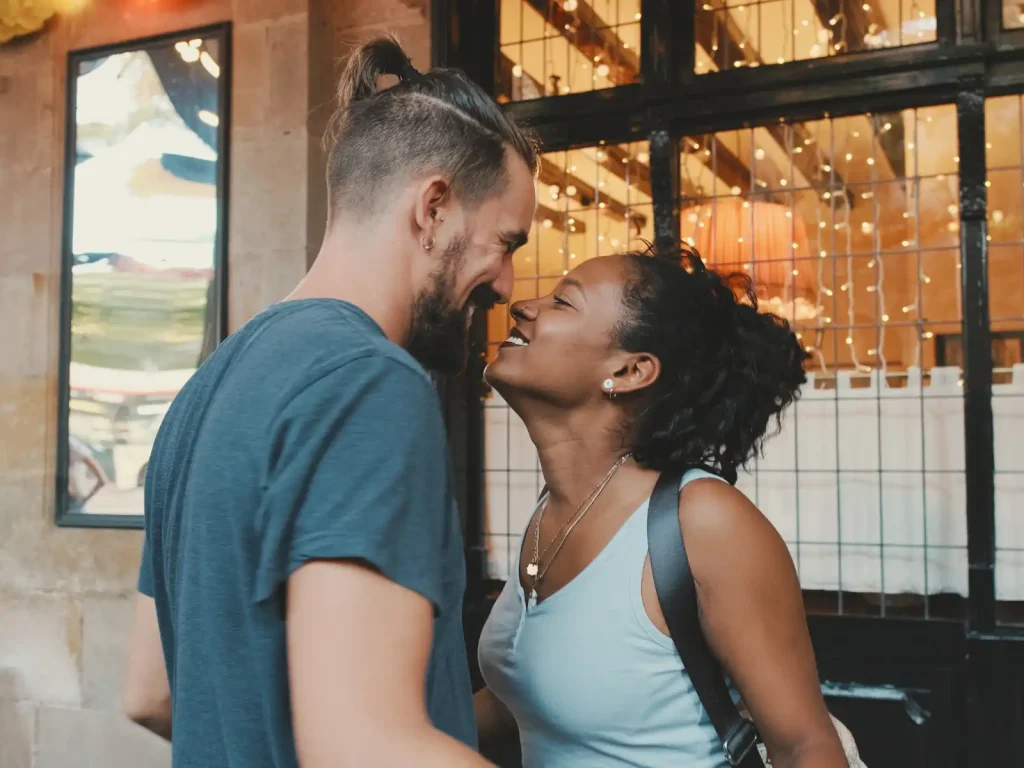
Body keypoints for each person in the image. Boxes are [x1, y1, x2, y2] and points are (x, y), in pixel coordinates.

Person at [121, 36, 538, 768]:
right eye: (506, 242)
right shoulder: (370, 384)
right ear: (433, 207)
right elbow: (364, 747)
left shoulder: (204, 390)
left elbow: (150, 694)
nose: (505, 283)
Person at [475, 244, 848, 768]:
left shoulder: (702, 522)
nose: (523, 306)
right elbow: (530, 699)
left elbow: (805, 747)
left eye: (563, 302)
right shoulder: (550, 512)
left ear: (630, 371)